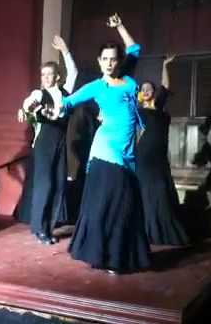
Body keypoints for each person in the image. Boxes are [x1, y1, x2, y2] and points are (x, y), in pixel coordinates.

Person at [48, 14, 150, 274]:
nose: (108, 63)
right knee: (116, 200)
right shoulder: (96, 86)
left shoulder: (127, 79)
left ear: (118, 61)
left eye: (113, 59)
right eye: (104, 59)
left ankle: (115, 254)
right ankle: (106, 256)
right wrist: (52, 110)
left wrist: (120, 27)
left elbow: (135, 49)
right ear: (99, 62)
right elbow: (68, 103)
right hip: (106, 148)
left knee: (125, 203)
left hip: (127, 150)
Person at [17, 35, 78, 245]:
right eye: (43, 74)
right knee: (45, 184)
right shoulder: (38, 93)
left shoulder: (65, 93)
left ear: (57, 77)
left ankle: (48, 228)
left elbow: (74, 72)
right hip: (44, 142)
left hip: (60, 142)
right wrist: (24, 110)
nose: (45, 78)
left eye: (49, 74)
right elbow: (28, 103)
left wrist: (65, 51)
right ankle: (39, 228)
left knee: (60, 184)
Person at [136, 55, 189, 246]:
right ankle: (145, 230)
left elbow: (165, 86)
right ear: (141, 94)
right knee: (145, 192)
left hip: (159, 157)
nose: (147, 90)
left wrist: (166, 65)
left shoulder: (159, 108)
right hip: (143, 156)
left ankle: (161, 230)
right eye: (143, 89)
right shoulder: (137, 111)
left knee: (161, 191)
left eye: (149, 88)